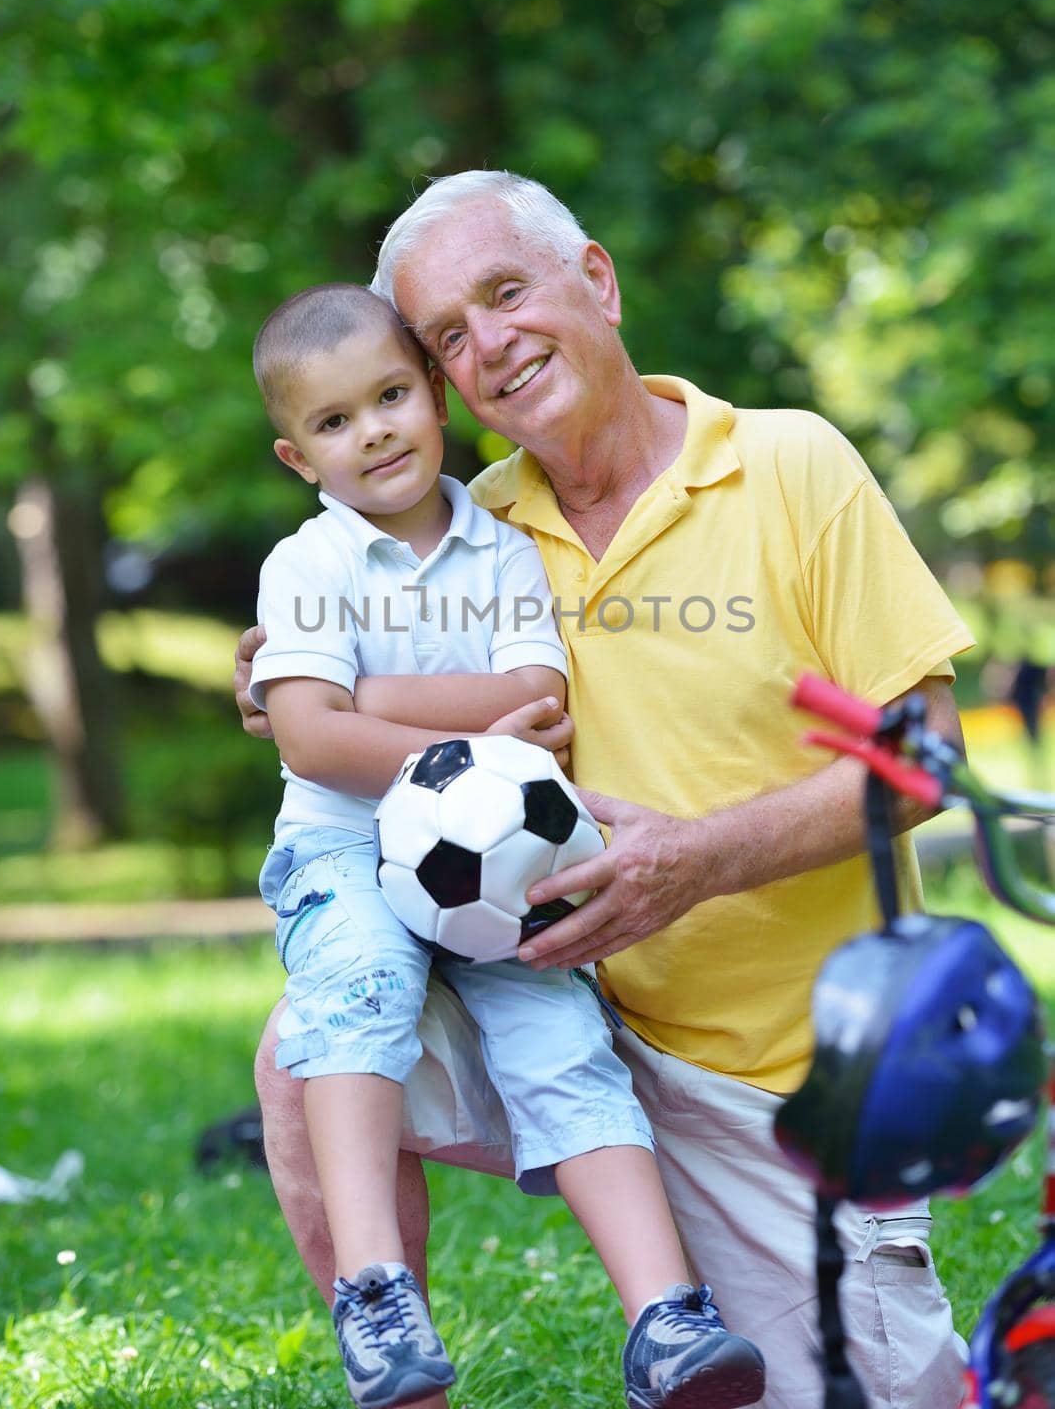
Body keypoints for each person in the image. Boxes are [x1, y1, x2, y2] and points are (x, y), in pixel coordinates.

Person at [236, 172, 976, 1409]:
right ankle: (394, 1357)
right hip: (562, 1001)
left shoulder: (791, 465)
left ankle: (706, 1305)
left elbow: (928, 757)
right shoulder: (476, 523)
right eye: (451, 337)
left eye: (508, 292)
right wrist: (284, 680)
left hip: (775, 1086)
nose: (492, 346)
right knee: (310, 1043)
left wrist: (693, 859)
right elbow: (331, 664)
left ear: (600, 280)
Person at [247, 281, 766, 1409]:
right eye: (336, 421)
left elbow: (540, 696)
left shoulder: (501, 546)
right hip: (345, 852)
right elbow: (307, 737)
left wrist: (365, 702)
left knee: (559, 1031)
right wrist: (461, 735)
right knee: (360, 990)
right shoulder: (309, 567)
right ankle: (376, 1290)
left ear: (434, 393)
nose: (374, 430)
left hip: (497, 853)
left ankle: (667, 1317)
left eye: (390, 395)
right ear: (298, 457)